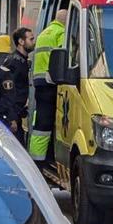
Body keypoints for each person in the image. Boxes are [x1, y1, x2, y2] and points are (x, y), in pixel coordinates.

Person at [29, 9, 67, 164]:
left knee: (41, 123)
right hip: (51, 82)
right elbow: (64, 57)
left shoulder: (44, 33)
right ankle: (42, 160)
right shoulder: (61, 33)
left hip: (39, 83)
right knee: (47, 124)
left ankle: (36, 158)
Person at [4, 27, 33, 135]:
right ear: (21, 41)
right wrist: (12, 117)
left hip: (18, 113)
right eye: (31, 39)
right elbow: (7, 91)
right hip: (13, 115)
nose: (33, 43)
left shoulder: (22, 61)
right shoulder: (15, 62)